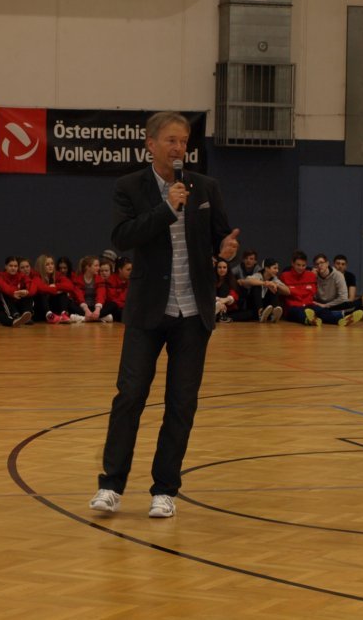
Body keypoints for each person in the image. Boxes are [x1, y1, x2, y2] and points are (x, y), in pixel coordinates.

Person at [90, 111, 239, 519]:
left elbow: (221, 238)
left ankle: (165, 489)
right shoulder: (129, 187)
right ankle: (111, 485)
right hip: (147, 311)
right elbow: (123, 237)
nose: (179, 148)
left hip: (193, 313)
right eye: (171, 140)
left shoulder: (205, 186)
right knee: (129, 397)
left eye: (184, 141)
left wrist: (226, 251)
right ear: (151, 144)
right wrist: (167, 208)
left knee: (181, 404)